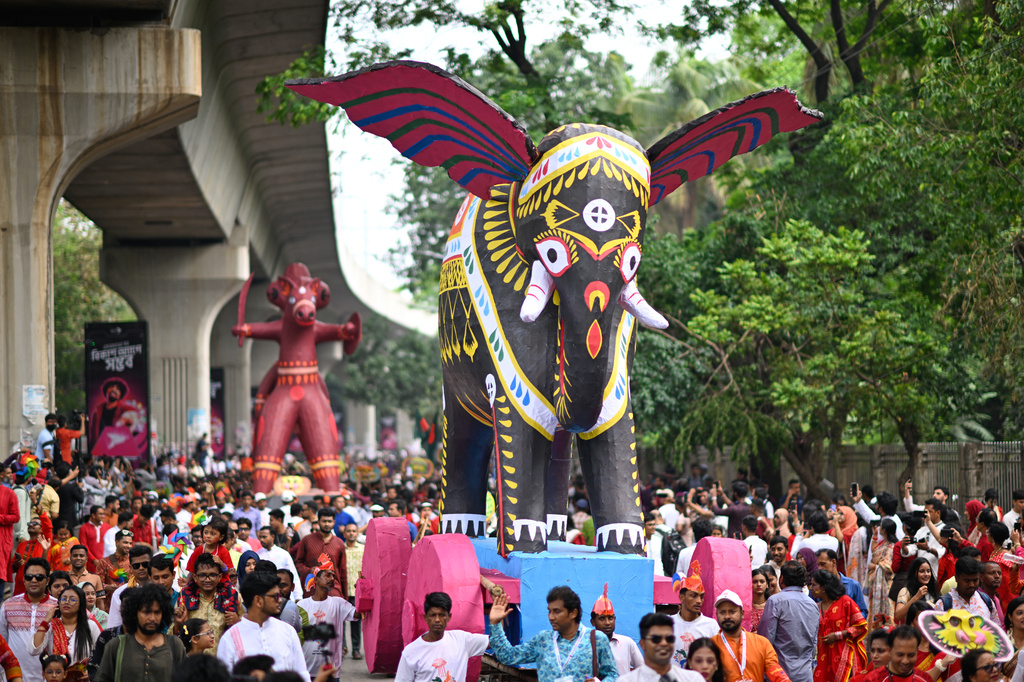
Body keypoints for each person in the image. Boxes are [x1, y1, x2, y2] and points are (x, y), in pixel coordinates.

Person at [488, 586, 618, 682]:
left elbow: (612, 675)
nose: (551, 617)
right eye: (549, 611)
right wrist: (495, 623)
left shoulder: (596, 639)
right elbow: (508, 656)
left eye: (557, 612)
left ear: (573, 613)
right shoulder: (543, 640)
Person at [216, 572, 310, 682]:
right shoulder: (230, 638)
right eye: (275, 596)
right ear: (258, 600)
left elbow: (302, 673)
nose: (280, 600)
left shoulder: (288, 631)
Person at [95, 583, 187, 682]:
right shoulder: (117, 645)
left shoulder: (175, 645)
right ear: (134, 613)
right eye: (146, 612)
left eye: (157, 612)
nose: (152, 618)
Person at [395, 591, 489, 682]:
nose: (437, 620)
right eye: (432, 615)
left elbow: (495, 642)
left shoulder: (462, 640)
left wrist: (495, 622)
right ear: (425, 618)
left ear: (449, 617)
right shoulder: (410, 652)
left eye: (442, 615)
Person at [297, 553, 357, 675]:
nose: (332, 579)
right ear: (316, 580)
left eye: (333, 576)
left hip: (332, 672)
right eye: (327, 575)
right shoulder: (302, 605)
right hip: (307, 671)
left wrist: (361, 591)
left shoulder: (339, 603)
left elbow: (358, 614)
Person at [757, 561, 817, 682]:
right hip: (805, 674)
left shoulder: (775, 601)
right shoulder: (813, 604)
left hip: (779, 674)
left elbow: (765, 640)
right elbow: (813, 643)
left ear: (782, 579)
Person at [711, 590, 790, 682]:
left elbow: (776, 673)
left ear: (742, 614)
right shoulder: (710, 646)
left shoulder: (762, 643)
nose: (727, 616)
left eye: (732, 611)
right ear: (716, 615)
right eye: (722, 612)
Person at [1, 557, 59, 682]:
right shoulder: (8, 605)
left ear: (47, 580)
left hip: (48, 678)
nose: (33, 580)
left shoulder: (57, 607)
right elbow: (2, 643)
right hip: (13, 677)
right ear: (23, 579)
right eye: (29, 577)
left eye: (39, 577)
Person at [30, 585, 101, 682]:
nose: (66, 602)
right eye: (63, 599)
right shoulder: (51, 625)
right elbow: (34, 650)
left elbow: (101, 654)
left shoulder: (90, 626)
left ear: (80, 604)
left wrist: (92, 672)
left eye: (72, 600)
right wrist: (46, 621)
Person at [174, 553, 242, 651]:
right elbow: (173, 635)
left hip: (223, 661)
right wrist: (179, 624)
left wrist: (237, 622)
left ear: (219, 577)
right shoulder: (184, 597)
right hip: (193, 661)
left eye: (212, 575)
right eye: (202, 575)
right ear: (195, 577)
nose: (207, 580)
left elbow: (247, 630)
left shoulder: (231, 595)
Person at [810, 570, 867, 682]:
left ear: (824, 587)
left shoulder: (845, 602)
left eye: (814, 585)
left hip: (845, 656)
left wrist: (837, 635)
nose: (810, 588)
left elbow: (860, 626)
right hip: (824, 658)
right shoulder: (815, 607)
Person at [617, 613, 703, 682]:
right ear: (642, 644)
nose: (664, 643)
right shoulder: (627, 680)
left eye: (669, 639)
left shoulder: (692, 679)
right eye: (656, 639)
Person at [290, 508, 345, 599]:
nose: (327, 524)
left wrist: (344, 596)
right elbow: (298, 563)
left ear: (334, 522)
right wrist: (309, 570)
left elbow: (342, 571)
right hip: (312, 589)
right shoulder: (307, 540)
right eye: (324, 521)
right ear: (318, 521)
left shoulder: (339, 543)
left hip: (333, 590)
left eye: (329, 521)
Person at [590, 584, 642, 676]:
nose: (607, 623)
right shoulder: (587, 645)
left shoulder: (627, 643)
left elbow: (644, 671)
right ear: (593, 622)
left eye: (610, 618)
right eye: (602, 618)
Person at [670, 570, 719, 667]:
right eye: (694, 596)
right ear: (682, 598)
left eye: (702, 597)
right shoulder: (668, 624)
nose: (699, 601)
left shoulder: (711, 626)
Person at [858, 626, 930, 682]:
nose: (905, 661)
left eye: (911, 655)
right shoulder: (872, 679)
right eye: (900, 655)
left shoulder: (925, 679)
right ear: (890, 651)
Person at [106, 545, 153, 629]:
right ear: (131, 568)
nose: (141, 568)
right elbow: (114, 626)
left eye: (145, 564)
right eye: (136, 566)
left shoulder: (162, 587)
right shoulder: (119, 593)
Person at [815, 549, 868, 618]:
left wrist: (850, 623)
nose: (820, 568)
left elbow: (863, 611)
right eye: (818, 565)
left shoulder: (853, 585)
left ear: (833, 562)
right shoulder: (817, 587)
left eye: (823, 564)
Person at [865, 519, 897, 628]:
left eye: (880, 527)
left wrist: (874, 566)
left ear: (884, 530)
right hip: (877, 584)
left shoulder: (891, 546)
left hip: (886, 585)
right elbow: (874, 552)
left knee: (887, 612)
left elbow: (888, 566)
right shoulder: (883, 543)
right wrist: (874, 535)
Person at [893, 558, 940, 625]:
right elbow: (898, 616)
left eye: (928, 571)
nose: (926, 574)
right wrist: (916, 597)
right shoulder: (905, 591)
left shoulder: (934, 590)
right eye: (922, 571)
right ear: (914, 573)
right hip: (912, 632)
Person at [13, 516, 51, 597]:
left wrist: (39, 509)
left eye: (35, 523)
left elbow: (48, 526)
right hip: (20, 588)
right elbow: (12, 568)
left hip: (37, 587)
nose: (31, 525)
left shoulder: (45, 542)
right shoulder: (21, 545)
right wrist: (16, 564)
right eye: (29, 523)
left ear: (41, 529)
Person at [341, 522, 363, 659]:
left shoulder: (363, 549)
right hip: (343, 590)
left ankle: (356, 649)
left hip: (357, 591)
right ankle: (343, 647)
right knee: (340, 621)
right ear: (344, 534)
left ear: (357, 533)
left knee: (356, 621)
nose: (351, 533)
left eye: (354, 531)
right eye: (348, 531)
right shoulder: (339, 549)